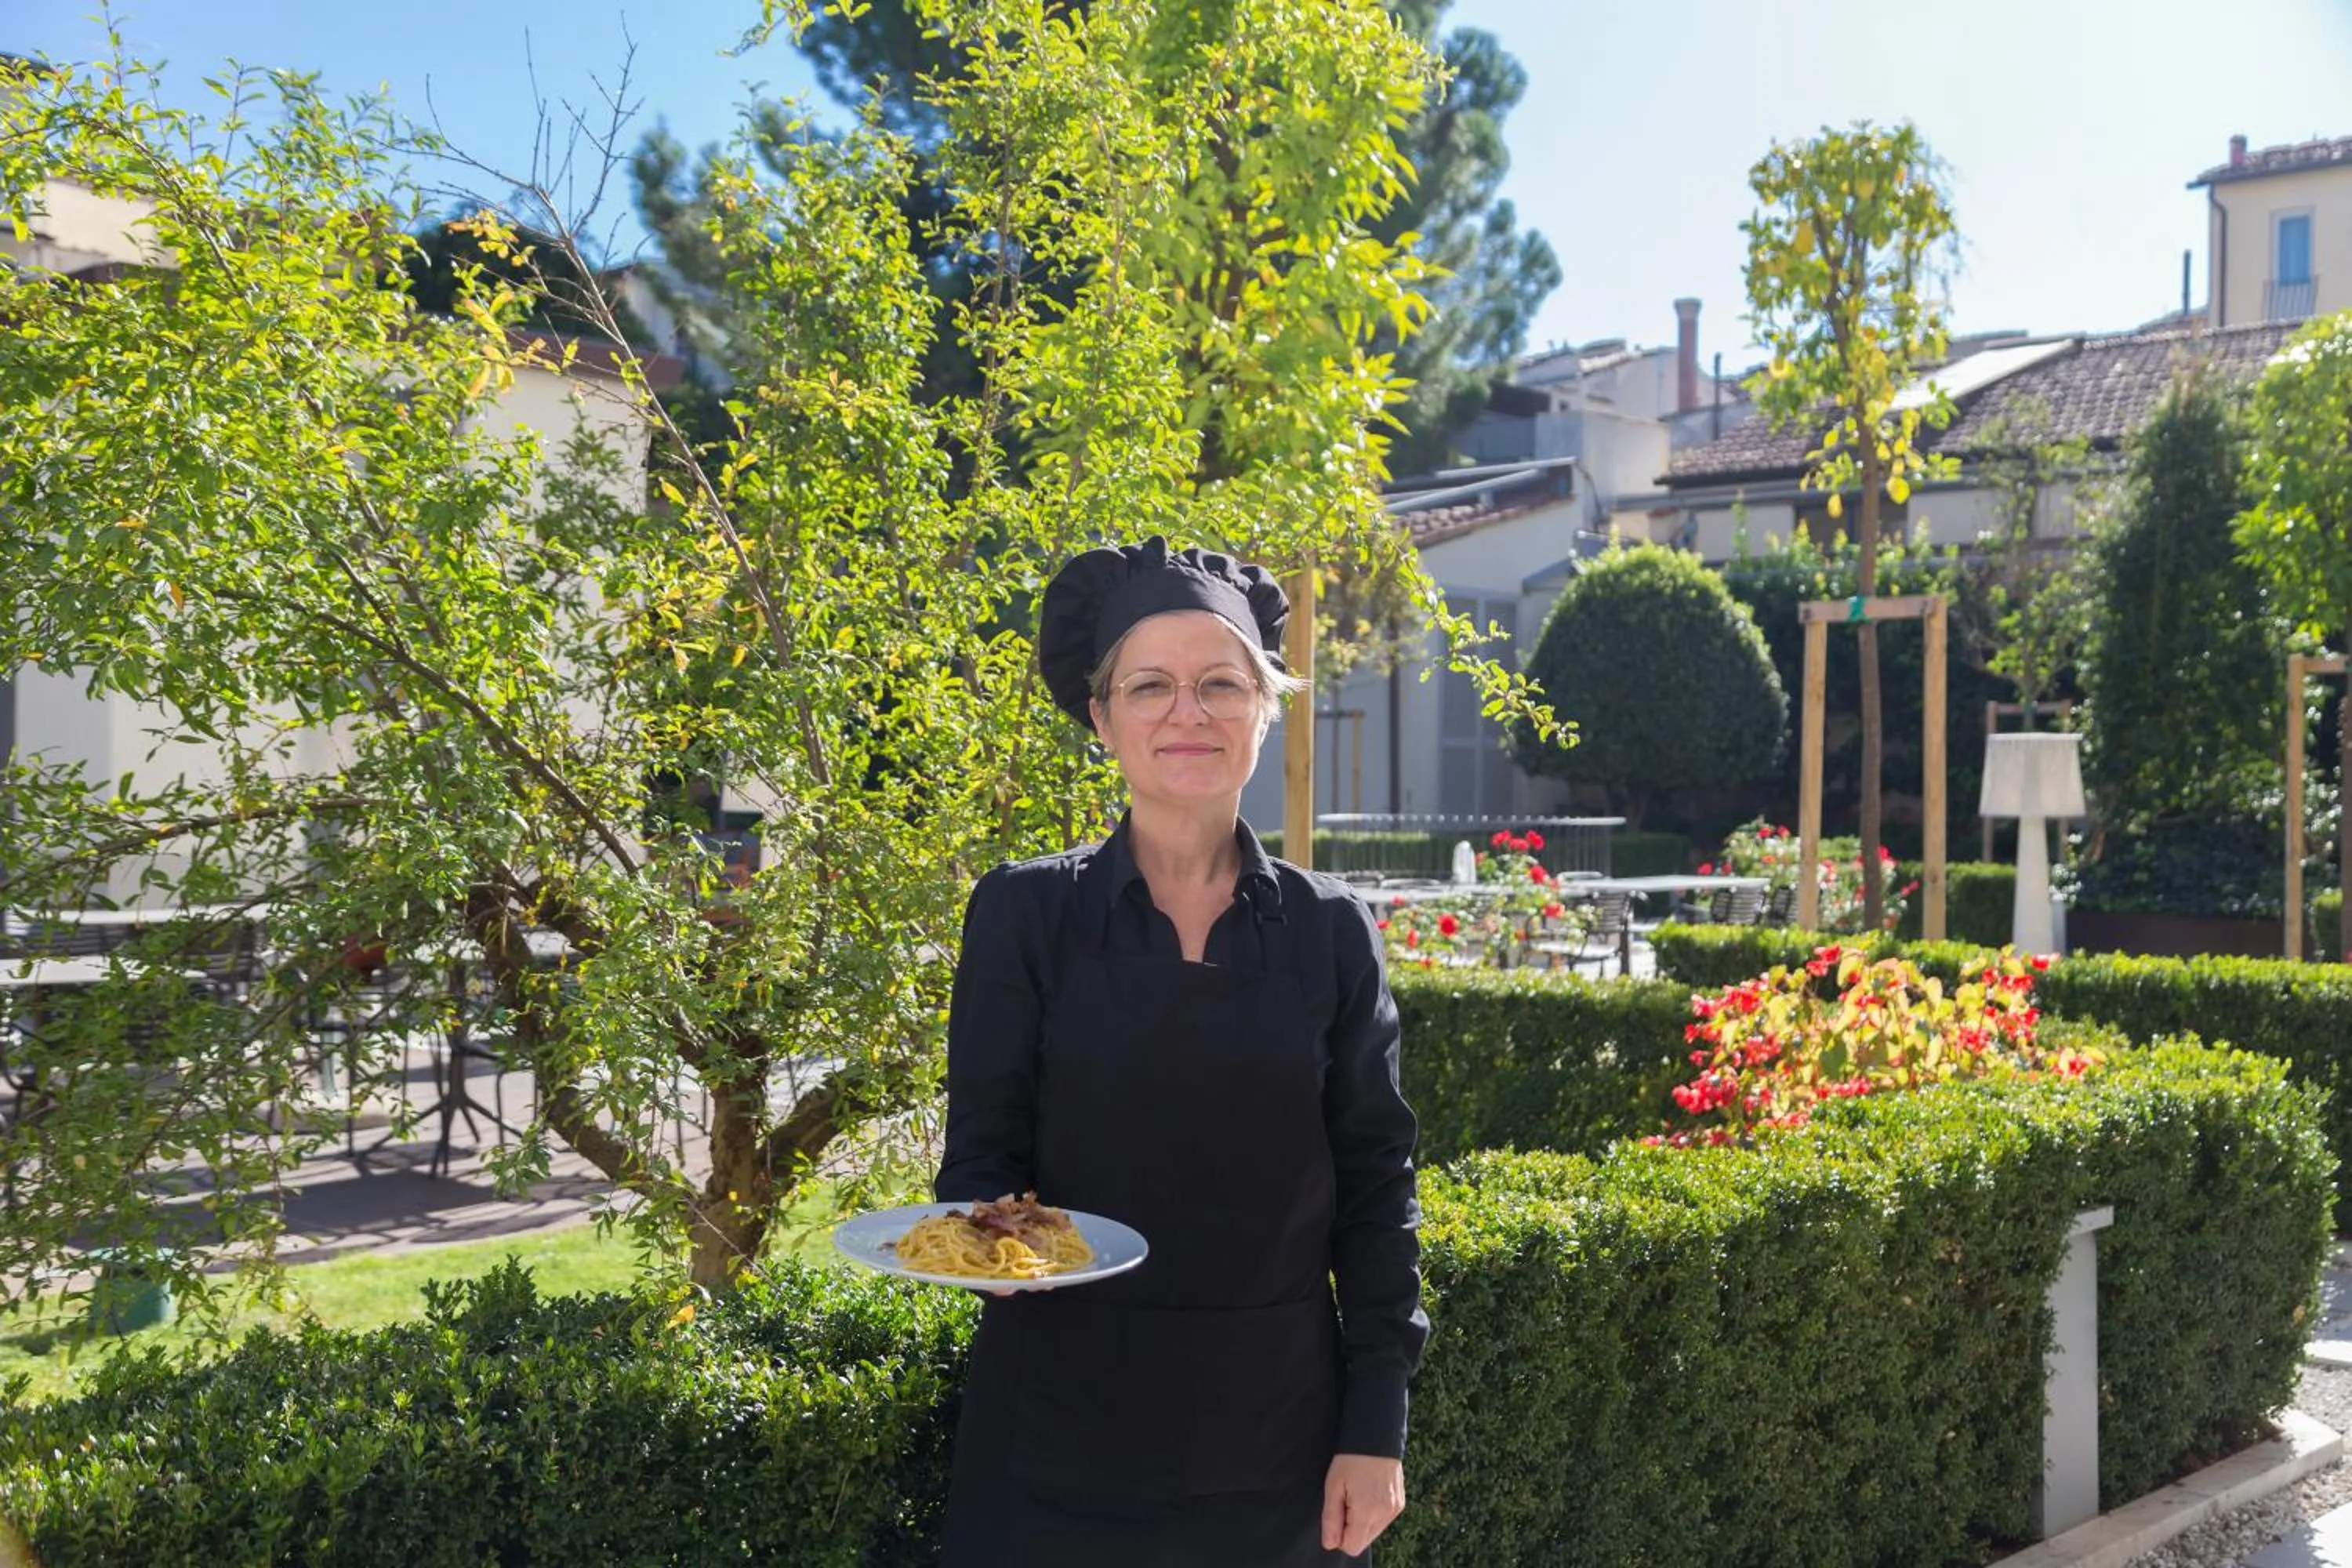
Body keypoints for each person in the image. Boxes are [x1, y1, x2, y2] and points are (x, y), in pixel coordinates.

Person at [935, 537, 1427, 1567]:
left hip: (1281, 1452)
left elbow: (1378, 1190)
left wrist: (1374, 1425)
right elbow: (981, 1164)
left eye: (1221, 684)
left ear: (1264, 708)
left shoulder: (1331, 934)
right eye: (1150, 685)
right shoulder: (1025, 915)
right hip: (1057, 1440)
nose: (1187, 713)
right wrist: (987, 1250)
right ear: (1101, 715)